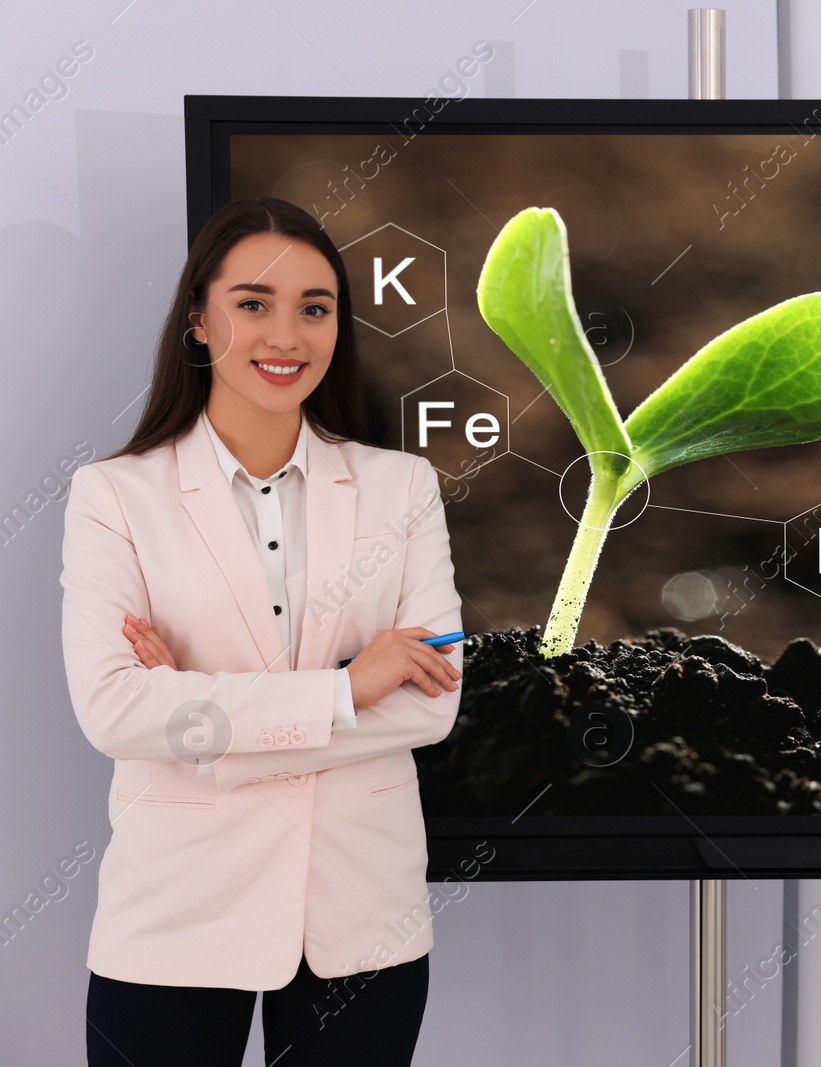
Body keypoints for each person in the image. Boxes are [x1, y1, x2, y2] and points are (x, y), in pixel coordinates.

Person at [59, 196, 465, 1065]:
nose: (287, 335)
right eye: (253, 304)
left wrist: (205, 733)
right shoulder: (115, 497)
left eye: (314, 309)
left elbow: (430, 707)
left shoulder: (402, 488)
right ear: (199, 321)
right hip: (176, 917)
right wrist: (347, 688)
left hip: (359, 922)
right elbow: (113, 711)